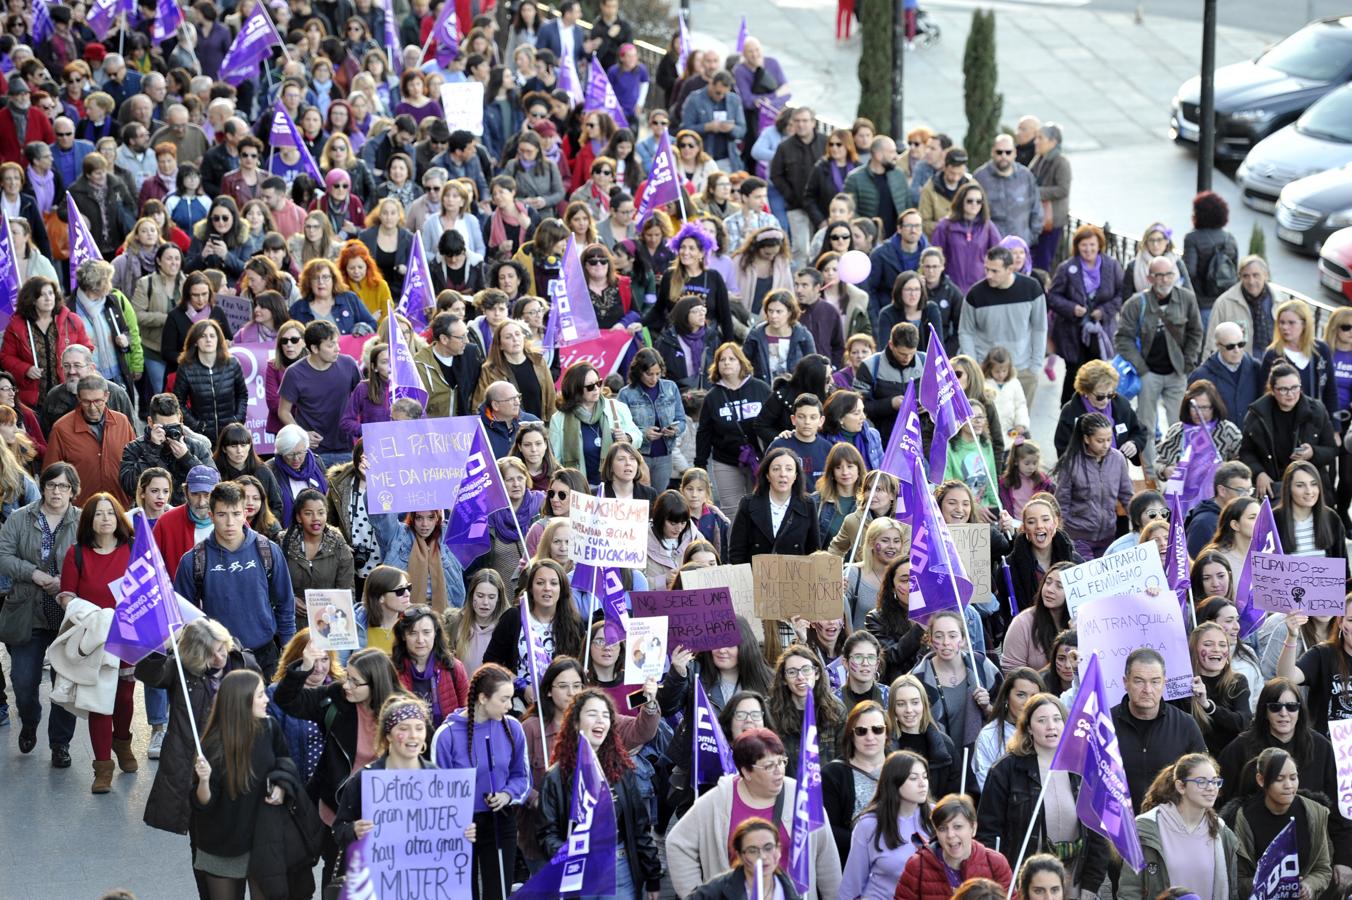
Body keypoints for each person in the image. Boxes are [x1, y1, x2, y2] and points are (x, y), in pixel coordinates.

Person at [274, 642, 405, 886]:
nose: (347, 685)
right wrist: (304, 665)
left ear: (375, 684)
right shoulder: (335, 698)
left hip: (385, 818)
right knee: (337, 881)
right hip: (336, 813)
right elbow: (286, 700)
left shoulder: (404, 713)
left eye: (355, 682)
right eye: (347, 677)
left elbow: (421, 760)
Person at [669, 727, 843, 900]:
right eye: (769, 766)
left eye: (782, 761)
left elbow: (827, 861)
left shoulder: (802, 797)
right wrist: (696, 895)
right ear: (745, 771)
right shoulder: (718, 801)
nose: (779, 771)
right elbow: (677, 843)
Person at [534, 687, 663, 900]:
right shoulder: (556, 776)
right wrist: (571, 856)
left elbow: (640, 827)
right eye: (592, 714)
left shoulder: (621, 770)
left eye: (605, 715)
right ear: (575, 723)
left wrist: (652, 875)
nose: (600, 720)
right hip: (578, 874)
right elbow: (547, 833)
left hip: (619, 868)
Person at [977, 692, 1109, 895]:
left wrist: (1090, 887)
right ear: (1028, 727)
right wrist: (1003, 885)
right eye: (1042, 720)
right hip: (1023, 884)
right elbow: (988, 833)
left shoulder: (1085, 769)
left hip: (1075, 882)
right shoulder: (1006, 770)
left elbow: (1099, 835)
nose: (1051, 726)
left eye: (1057, 719)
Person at [187, 668, 295, 898]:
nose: (266, 699)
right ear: (241, 701)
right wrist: (203, 781)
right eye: (259, 695)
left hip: (262, 840)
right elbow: (203, 804)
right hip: (221, 844)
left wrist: (281, 785)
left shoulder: (269, 727)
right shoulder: (212, 746)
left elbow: (284, 760)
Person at [174, 481, 296, 677]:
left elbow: (285, 604)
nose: (230, 522)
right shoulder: (194, 560)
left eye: (236, 514)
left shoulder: (268, 550)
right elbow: (182, 617)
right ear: (211, 516)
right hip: (217, 657)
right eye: (222, 515)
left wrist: (289, 648)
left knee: (266, 708)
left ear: (245, 514)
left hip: (265, 654)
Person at [1113, 255, 1205, 476]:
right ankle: (1151, 475)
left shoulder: (1187, 299)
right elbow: (1122, 338)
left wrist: (1188, 363)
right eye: (1159, 275)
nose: (1164, 279)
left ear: (1175, 275)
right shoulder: (1136, 304)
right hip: (1148, 373)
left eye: (1168, 274)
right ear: (1149, 278)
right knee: (1145, 424)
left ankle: (1178, 470)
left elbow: (1196, 331)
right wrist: (1141, 367)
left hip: (1176, 372)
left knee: (1180, 423)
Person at [1118, 753, 1240, 900]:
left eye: (1215, 781)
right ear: (1181, 786)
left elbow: (1231, 891)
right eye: (1201, 781)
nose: (1211, 788)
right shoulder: (1146, 828)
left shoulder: (1222, 832)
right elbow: (1130, 889)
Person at [1225, 748, 1334, 900]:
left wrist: (1309, 886)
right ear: (1261, 780)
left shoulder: (1314, 813)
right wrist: (1274, 886)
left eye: (1293, 777)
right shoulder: (1242, 818)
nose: (1289, 785)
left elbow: (1322, 868)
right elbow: (1237, 879)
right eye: (1279, 779)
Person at [1113, 648, 1208, 810]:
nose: (1147, 690)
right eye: (1139, 681)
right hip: (1118, 826)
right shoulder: (1105, 724)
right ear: (1125, 682)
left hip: (1171, 825)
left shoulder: (1185, 725)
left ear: (1164, 682)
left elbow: (1202, 779)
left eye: (1155, 681)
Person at [838, 750, 933, 900]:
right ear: (894, 781)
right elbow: (852, 884)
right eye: (913, 778)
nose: (922, 784)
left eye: (925, 777)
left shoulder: (936, 817)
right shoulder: (869, 825)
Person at [1047, 223, 1126, 402]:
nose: (1088, 249)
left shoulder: (1111, 265)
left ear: (1099, 245)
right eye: (1084, 245)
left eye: (1092, 244)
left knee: (1099, 373)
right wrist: (1072, 308)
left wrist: (1104, 311)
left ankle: (1097, 408)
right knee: (1074, 373)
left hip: (1100, 331)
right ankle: (1068, 409)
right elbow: (1052, 296)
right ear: (1077, 246)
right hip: (1072, 332)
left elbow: (1122, 294)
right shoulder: (1067, 267)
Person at [960, 246, 1047, 406]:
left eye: (995, 271)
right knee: (988, 425)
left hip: (1023, 369)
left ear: (1010, 269)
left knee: (1019, 426)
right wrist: (974, 366)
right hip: (985, 371)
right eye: (986, 269)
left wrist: (1035, 366)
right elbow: (965, 332)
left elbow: (1040, 328)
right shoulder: (975, 294)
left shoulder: (1032, 289)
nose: (988, 275)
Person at [1240, 363, 1337, 501]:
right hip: (1273, 486)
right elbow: (1246, 451)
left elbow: (1332, 450)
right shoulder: (1257, 414)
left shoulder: (1317, 410)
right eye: (1284, 389)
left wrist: (1313, 452)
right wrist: (1259, 473)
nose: (1290, 394)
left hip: (1310, 488)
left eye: (1295, 388)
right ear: (1272, 390)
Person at [894, 793, 1013, 900]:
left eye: (958, 827)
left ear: (974, 828)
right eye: (942, 829)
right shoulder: (918, 866)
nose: (950, 835)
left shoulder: (996, 863)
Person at [278, 321, 361, 467]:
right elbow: (283, 411)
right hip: (313, 451)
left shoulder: (349, 364)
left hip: (347, 447)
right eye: (330, 345)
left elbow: (364, 399)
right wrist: (303, 435)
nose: (337, 349)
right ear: (314, 348)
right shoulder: (294, 373)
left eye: (337, 343)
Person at [1, 275, 91, 410]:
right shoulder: (17, 326)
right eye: (42, 295)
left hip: (68, 394)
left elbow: (87, 349)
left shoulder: (72, 320)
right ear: (32, 299)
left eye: (50, 293)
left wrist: (74, 366)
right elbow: (5, 357)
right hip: (33, 399)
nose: (48, 298)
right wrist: (25, 369)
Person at [1052, 412, 1133, 560]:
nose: (1106, 445)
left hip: (1108, 536)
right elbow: (1061, 503)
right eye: (1100, 440)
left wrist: (1139, 520)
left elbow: (1127, 496)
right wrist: (1059, 534)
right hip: (1078, 537)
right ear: (1086, 439)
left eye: (1109, 439)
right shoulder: (1071, 462)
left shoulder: (1118, 459)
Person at [44, 373, 134, 506]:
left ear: (107, 396)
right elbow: (50, 475)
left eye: (98, 401)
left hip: (120, 508)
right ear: (78, 398)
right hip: (80, 511)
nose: (92, 408)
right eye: (86, 402)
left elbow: (135, 462)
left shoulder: (122, 422)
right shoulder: (61, 429)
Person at [821, 699, 889, 865]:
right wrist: (871, 844)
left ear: (887, 733)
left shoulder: (903, 766)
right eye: (861, 731)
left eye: (877, 729)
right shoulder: (833, 774)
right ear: (851, 735)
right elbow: (829, 830)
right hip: (852, 863)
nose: (870, 737)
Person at [117, 393, 214, 507]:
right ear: (150, 422)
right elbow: (130, 487)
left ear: (180, 418)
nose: (169, 432)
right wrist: (152, 450)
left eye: (174, 426)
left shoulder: (196, 446)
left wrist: (187, 458)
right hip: (151, 517)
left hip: (187, 515)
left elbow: (214, 483)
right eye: (164, 428)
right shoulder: (134, 448)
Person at [729, 448, 822, 563]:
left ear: (795, 475)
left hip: (795, 578)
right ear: (767, 475)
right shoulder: (748, 504)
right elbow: (737, 551)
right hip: (755, 577)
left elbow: (814, 551)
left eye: (789, 469)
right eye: (776, 469)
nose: (783, 474)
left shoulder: (807, 505)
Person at [171, 319, 247, 448]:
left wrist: (237, 420)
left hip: (231, 435)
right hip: (202, 437)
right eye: (203, 336)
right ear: (195, 341)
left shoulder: (232, 364)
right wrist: (197, 426)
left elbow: (242, 395)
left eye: (212, 336)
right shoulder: (186, 368)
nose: (208, 340)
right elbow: (178, 402)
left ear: (218, 339)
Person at [854, 321, 924, 447]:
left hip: (921, 439)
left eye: (911, 353)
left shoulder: (926, 361)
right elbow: (858, 407)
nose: (907, 358)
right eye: (902, 353)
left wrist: (927, 405)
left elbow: (941, 396)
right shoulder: (869, 367)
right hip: (884, 440)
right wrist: (891, 404)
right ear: (891, 345)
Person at [1189, 321, 1264, 429]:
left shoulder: (1256, 368)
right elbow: (1192, 416)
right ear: (1218, 345)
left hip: (1251, 438)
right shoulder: (1201, 375)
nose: (1237, 350)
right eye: (1230, 346)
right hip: (1218, 440)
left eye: (1241, 344)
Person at [972, 134, 1043, 246]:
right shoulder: (980, 177)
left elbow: (1036, 209)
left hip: (1020, 246)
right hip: (991, 246)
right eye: (999, 152)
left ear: (1014, 153)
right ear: (992, 152)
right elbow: (972, 212)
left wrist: (1030, 238)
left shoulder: (1025, 176)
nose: (1004, 156)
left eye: (1008, 152)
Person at [1183, 191, 1239, 326]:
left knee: (1205, 344)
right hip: (1226, 302)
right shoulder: (1230, 238)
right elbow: (1235, 269)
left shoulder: (1192, 238)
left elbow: (1189, 271)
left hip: (1202, 303)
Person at [1028, 124, 1071, 273]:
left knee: (1044, 261)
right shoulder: (1040, 158)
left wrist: (1036, 192)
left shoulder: (1061, 162)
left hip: (1051, 221)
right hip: (1038, 218)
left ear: (1053, 142)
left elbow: (1063, 189)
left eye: (1040, 138)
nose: (1036, 141)